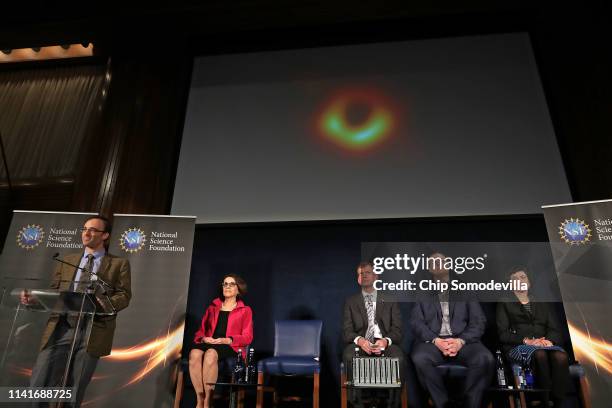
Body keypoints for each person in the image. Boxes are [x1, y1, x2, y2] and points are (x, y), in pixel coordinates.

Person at [26, 215, 132, 407]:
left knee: (73, 390)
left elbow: (124, 295)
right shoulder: (67, 260)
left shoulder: (119, 264)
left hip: (93, 330)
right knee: (39, 382)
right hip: (62, 327)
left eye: (93, 230)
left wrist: (101, 304)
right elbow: (53, 292)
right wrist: (35, 300)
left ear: (105, 235)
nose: (86, 233)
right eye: (84, 229)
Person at [411, 252, 493, 408]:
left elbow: (478, 321)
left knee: (485, 358)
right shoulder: (422, 291)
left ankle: (469, 404)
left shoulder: (465, 289)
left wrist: (460, 341)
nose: (437, 264)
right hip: (433, 342)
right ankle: (442, 404)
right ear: (429, 269)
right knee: (420, 357)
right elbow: (416, 322)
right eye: (432, 262)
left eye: (440, 261)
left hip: (463, 341)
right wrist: (436, 341)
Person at [497, 266, 569, 407]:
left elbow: (555, 329)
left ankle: (559, 403)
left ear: (529, 282)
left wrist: (549, 341)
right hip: (518, 346)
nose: (520, 280)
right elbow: (503, 333)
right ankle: (544, 401)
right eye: (515, 279)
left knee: (560, 356)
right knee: (539, 354)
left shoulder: (542, 303)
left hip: (544, 344)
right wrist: (527, 341)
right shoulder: (504, 302)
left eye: (523, 277)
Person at [342, 261, 404, 406]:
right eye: (360, 274)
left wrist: (385, 341)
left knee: (399, 357)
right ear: (358, 279)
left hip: (385, 345)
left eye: (367, 273)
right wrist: (361, 341)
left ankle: (392, 404)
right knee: (349, 356)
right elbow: (347, 332)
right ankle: (356, 404)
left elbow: (398, 331)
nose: (364, 276)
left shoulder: (390, 300)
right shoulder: (350, 302)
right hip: (361, 345)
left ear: (376, 276)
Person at [189, 274, 253, 408]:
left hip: (231, 346)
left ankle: (208, 402)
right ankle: (200, 400)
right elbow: (201, 331)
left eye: (231, 284)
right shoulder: (213, 307)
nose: (227, 286)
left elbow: (248, 337)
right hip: (211, 342)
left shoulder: (245, 310)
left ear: (238, 289)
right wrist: (204, 338)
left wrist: (228, 340)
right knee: (194, 353)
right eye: (225, 284)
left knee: (211, 354)